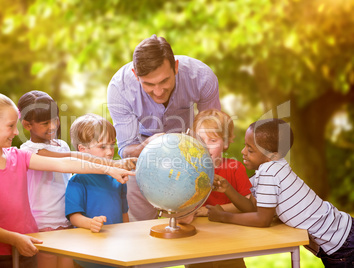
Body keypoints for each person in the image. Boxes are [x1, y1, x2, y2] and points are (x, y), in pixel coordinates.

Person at [0, 90, 134, 268]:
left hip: (30, 243)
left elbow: (67, 162)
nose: (16, 132)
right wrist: (16, 239)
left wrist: (111, 167)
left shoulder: (18, 156)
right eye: (11, 126)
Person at [207, 118, 354, 267]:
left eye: (250, 150)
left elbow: (263, 220)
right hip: (341, 236)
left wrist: (224, 216)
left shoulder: (269, 172)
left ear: (273, 155)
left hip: (342, 244)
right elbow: (253, 207)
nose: (243, 152)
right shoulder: (273, 167)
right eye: (245, 146)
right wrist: (228, 189)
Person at [107, 34, 221, 221]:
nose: (158, 91)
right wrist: (147, 146)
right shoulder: (119, 88)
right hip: (142, 150)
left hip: (188, 146)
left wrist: (200, 155)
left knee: (189, 223)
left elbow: (212, 130)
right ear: (136, 75)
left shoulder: (201, 77)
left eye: (164, 81)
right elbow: (126, 150)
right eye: (149, 84)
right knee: (139, 222)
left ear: (175, 67)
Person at [17, 90, 136, 268]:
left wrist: (117, 165)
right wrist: (110, 167)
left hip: (64, 219)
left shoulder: (60, 145)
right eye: (45, 123)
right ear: (27, 125)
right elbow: (71, 160)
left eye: (54, 120)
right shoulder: (28, 151)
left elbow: (77, 157)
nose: (52, 126)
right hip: (44, 223)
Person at [180, 109, 254, 268]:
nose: (205, 146)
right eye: (200, 140)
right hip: (196, 242)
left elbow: (247, 205)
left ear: (226, 143)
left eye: (212, 140)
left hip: (229, 240)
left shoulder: (235, 168)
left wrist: (211, 210)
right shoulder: (188, 170)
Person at [65, 114, 129, 268]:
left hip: (117, 252)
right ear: (82, 150)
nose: (109, 152)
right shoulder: (78, 180)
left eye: (112, 145)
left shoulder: (118, 178)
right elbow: (74, 217)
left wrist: (128, 238)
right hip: (88, 255)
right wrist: (90, 223)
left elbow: (124, 214)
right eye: (102, 147)